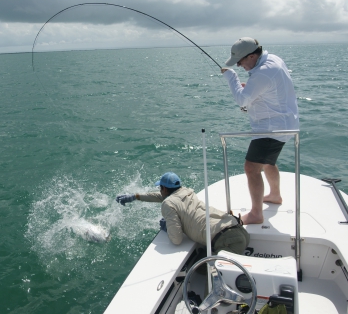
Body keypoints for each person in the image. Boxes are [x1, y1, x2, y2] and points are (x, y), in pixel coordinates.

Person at [221, 37, 299, 225]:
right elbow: (269, 89)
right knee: (268, 163)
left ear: (253, 56)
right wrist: (251, 90)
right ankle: (275, 195)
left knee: (251, 168)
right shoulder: (273, 60)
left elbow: (242, 100)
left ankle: (256, 214)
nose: (239, 65)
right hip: (284, 123)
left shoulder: (263, 72)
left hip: (272, 128)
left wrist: (232, 77)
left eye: (240, 61)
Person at [115, 172, 250, 255]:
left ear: (165, 189)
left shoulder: (168, 204)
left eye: (160, 188)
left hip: (227, 242)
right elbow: (162, 196)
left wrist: (168, 228)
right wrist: (136, 196)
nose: (160, 191)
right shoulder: (187, 192)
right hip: (239, 231)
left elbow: (176, 239)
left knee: (204, 271)